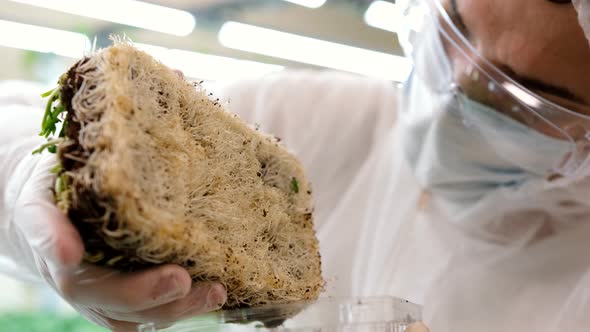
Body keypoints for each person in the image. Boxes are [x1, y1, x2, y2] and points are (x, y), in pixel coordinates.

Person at [1, 0, 590, 330]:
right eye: (453, 29)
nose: (450, 93)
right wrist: (37, 179)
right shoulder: (318, 122)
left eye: (515, 96)